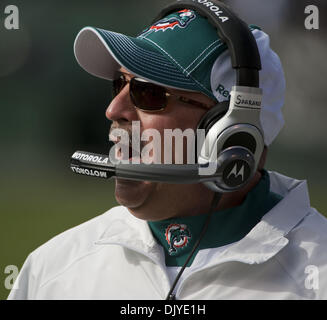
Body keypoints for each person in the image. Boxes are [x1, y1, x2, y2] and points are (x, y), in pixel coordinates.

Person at [8, 2, 327, 300]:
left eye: (147, 92)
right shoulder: (52, 270)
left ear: (231, 136)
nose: (113, 110)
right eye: (119, 84)